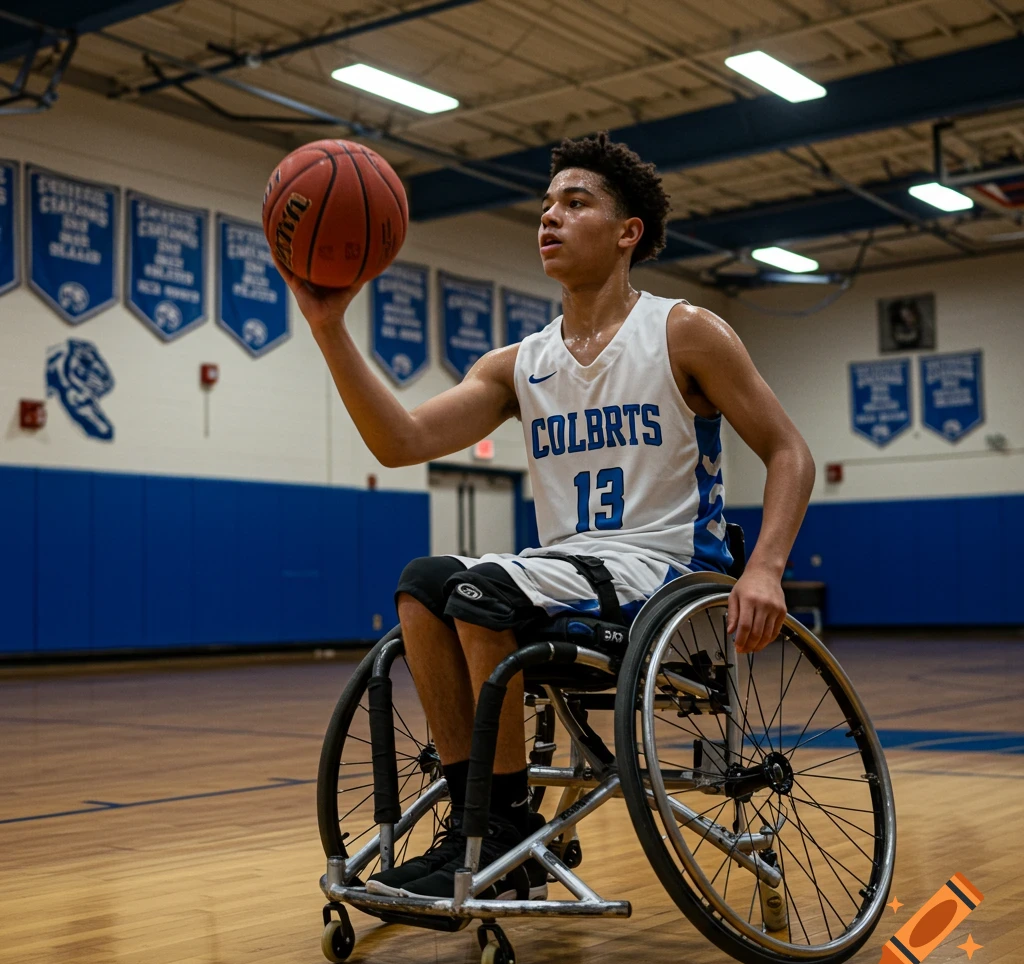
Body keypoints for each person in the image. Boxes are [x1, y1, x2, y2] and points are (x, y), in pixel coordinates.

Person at [276, 132, 815, 901]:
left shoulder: (684, 331)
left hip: (666, 576)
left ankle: (501, 832)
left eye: (575, 202)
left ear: (628, 232)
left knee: (482, 589)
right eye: (545, 206)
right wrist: (329, 328)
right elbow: (400, 442)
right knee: (423, 582)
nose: (550, 218)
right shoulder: (519, 363)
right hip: (569, 573)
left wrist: (764, 567)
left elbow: (789, 451)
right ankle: (485, 826)